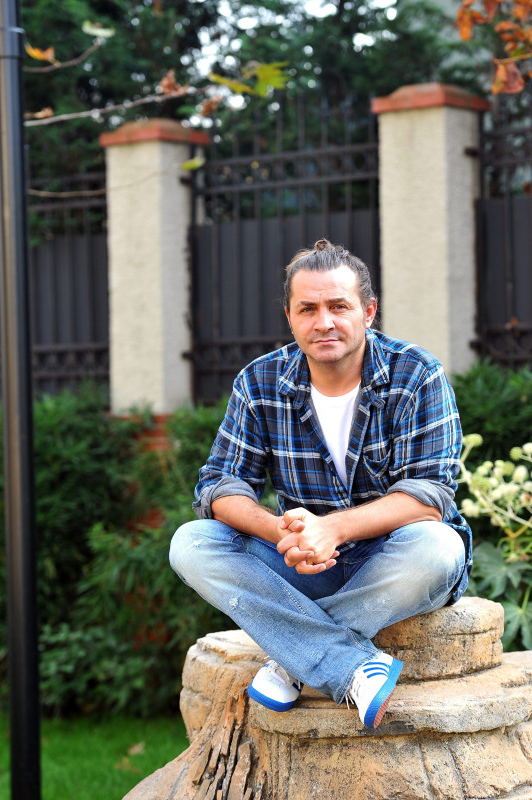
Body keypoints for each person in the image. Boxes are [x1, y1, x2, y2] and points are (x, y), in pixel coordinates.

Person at [169, 239, 472, 729]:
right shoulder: (260, 382)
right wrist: (279, 533)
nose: (323, 322)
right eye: (307, 309)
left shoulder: (416, 375)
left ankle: (294, 660)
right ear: (290, 317)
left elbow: (429, 497)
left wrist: (332, 529)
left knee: (439, 547)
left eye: (338, 306)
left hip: (393, 560)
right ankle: (347, 665)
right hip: (303, 563)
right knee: (192, 542)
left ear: (368, 311)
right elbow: (220, 483)